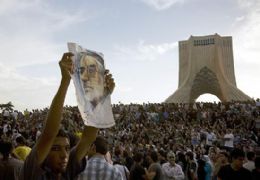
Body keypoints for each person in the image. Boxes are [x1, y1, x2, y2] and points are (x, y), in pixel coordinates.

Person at [19, 52, 115, 180]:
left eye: (67, 148)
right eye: (56, 148)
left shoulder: (67, 170)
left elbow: (88, 137)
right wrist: (65, 80)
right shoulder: (32, 171)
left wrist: (101, 95)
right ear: (44, 152)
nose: (64, 155)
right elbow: (49, 134)